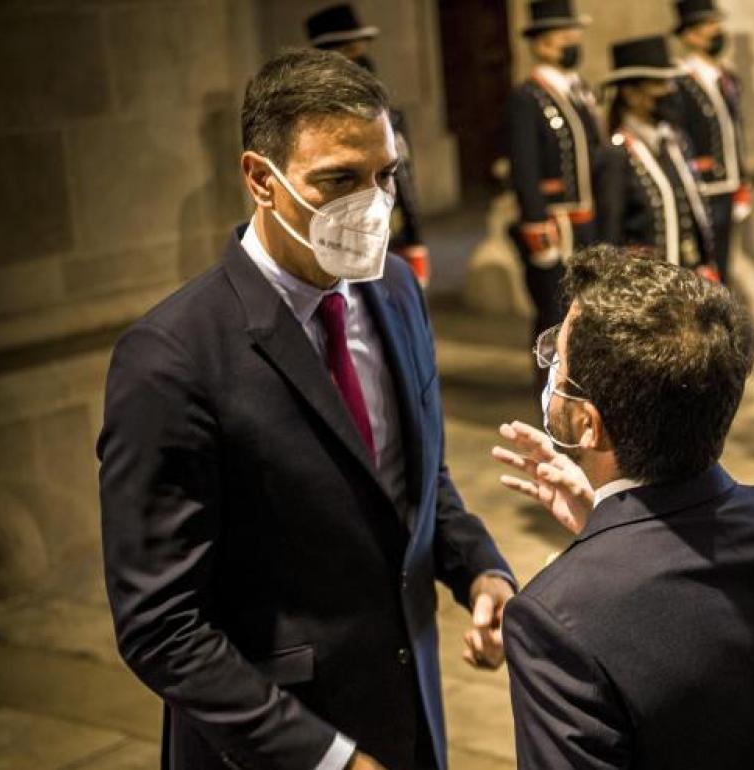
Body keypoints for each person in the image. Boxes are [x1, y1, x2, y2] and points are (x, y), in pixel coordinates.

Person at [98, 49, 516, 770]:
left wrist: (480, 568)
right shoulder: (172, 357)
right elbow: (161, 627)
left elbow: (410, 479)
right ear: (260, 179)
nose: (377, 203)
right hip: (277, 742)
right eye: (340, 182)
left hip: (408, 710)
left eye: (387, 175)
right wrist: (330, 759)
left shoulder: (394, 289)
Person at [491, 246, 754, 769]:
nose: (551, 371)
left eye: (557, 361)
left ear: (587, 422)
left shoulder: (553, 618)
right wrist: (605, 526)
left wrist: (609, 544)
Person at [505, 0, 603, 398]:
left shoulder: (577, 91)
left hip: (584, 219)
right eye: (565, 35)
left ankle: (581, 383)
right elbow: (525, 166)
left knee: (584, 308)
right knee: (552, 309)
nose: (573, 41)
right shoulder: (528, 97)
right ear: (543, 44)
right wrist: (536, 223)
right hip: (555, 223)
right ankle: (549, 390)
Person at [306, 3, 430, 289]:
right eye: (350, 52)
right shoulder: (315, 128)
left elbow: (404, 180)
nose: (362, 60)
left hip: (390, 232)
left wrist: (415, 239)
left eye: (362, 50)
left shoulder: (390, 116)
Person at [596, 36, 717, 278]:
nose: (670, 91)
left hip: (688, 276)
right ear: (631, 94)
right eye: (658, 84)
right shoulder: (617, 154)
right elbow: (610, 233)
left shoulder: (675, 142)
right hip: (648, 285)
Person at [670, 0, 752, 284]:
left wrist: (741, 180)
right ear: (690, 35)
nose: (716, 31)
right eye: (708, 26)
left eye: (717, 24)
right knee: (705, 271)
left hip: (727, 186)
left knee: (723, 267)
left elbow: (735, 134)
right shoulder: (680, 81)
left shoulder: (726, 78)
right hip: (703, 187)